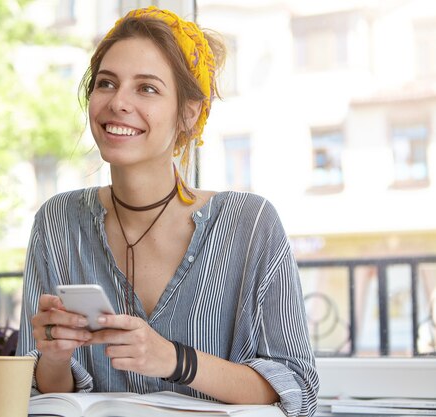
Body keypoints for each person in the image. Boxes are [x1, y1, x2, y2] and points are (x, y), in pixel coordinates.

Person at [17, 6, 319, 417]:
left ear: (189, 113)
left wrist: (175, 360)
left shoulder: (250, 224)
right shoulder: (57, 222)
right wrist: (53, 355)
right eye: (106, 83)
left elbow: (297, 388)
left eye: (147, 88)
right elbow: (43, 395)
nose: (118, 103)